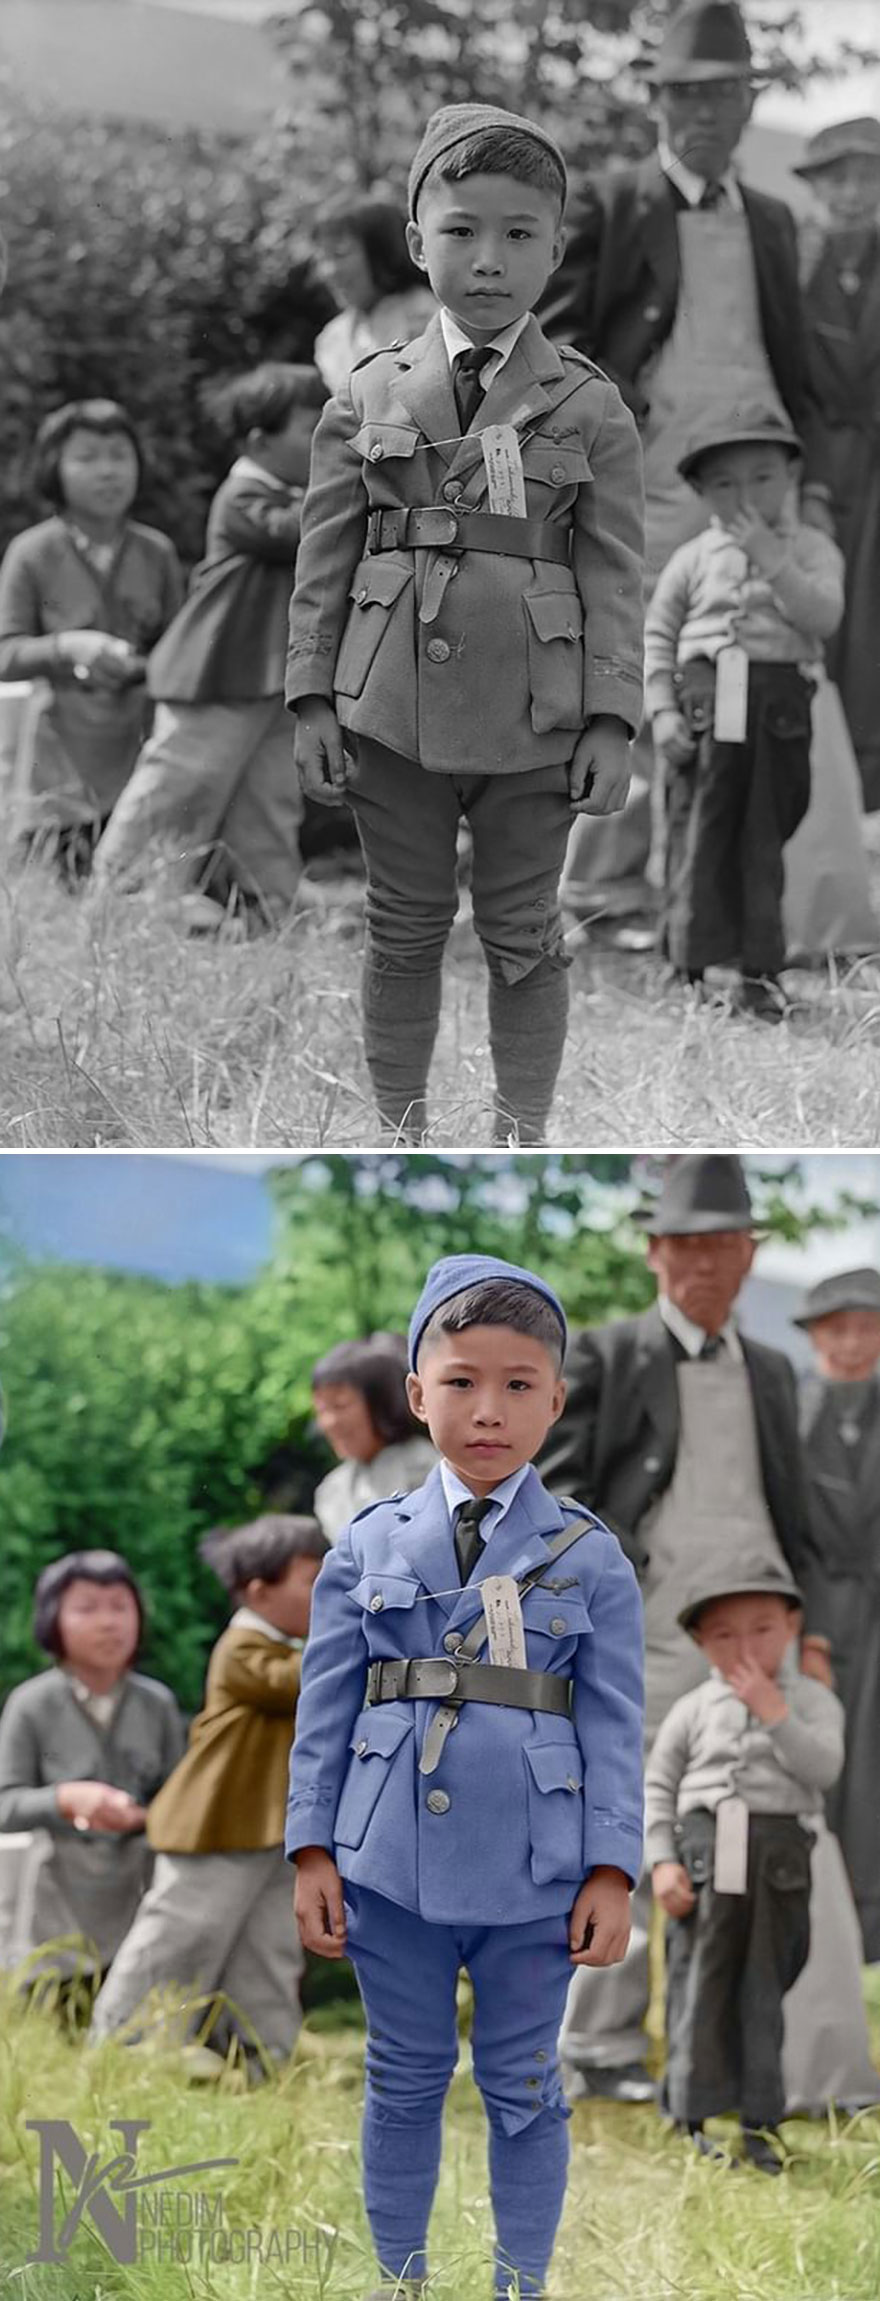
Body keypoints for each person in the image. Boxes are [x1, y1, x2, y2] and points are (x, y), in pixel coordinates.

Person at [286, 101, 644, 1148]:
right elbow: (323, 555)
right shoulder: (363, 393)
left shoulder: (589, 406)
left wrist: (612, 716)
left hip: (540, 712)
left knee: (525, 933)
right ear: (414, 242)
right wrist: (310, 697)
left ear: (557, 248)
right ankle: (400, 1135)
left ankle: (521, 1139)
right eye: (460, 232)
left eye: (518, 234)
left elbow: (615, 570)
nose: (488, 261)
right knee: (400, 928)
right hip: (386, 704)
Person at [287, 1254, 644, 2301]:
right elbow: (325, 1708)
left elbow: (617, 1726)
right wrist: (312, 1847)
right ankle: (400, 2283)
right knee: (402, 2079)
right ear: (414, 1394)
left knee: (525, 2087)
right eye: (459, 1382)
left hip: (539, 1868)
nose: (487, 1410)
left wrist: (612, 1867)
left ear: (556, 1400)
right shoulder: (363, 1544)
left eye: (518, 1384)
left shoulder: (589, 1557)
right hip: (384, 1860)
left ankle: (518, 2286)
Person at [537, 1151, 870, 2108]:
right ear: (653, 1251)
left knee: (764, 1815)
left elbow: (793, 1507)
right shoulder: (608, 1351)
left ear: (750, 1252)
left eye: (725, 1243)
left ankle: (743, 2046)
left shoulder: (771, 1367)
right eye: (687, 1244)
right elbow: (562, 1496)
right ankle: (595, 2046)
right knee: (628, 1818)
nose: (706, 1263)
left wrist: (804, 1636)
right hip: (645, 1627)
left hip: (755, 1632)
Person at [540, 0, 826, 935]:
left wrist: (808, 475)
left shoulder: (778, 219)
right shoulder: (615, 201)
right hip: (650, 477)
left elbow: (796, 357)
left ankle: (711, 897)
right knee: (631, 660)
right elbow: (567, 337)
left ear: (749, 105)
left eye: (722, 96)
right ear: (658, 105)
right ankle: (599, 891)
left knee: (749, 668)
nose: (702, 115)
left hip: (755, 478)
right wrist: (620, 418)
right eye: (684, 97)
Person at [90, 1514, 327, 2074]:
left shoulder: (286, 1645)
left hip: (272, 1828)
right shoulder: (245, 1645)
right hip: (217, 1824)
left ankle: (260, 2053)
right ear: (259, 1591)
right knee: (181, 1932)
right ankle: (123, 2044)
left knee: (268, 1945)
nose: (328, 1591)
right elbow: (299, 1683)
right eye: (313, 1578)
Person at [93, 365, 327, 927]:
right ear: (259, 442)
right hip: (217, 671)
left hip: (270, 677)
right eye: (309, 425)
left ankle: (272, 897)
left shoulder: (288, 493)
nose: (325, 433)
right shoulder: (244, 494)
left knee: (268, 793)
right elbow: (299, 533)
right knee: (182, 780)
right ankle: (125, 893)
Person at [645, 403, 844, 1018]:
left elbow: (824, 617)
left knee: (762, 840)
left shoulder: (811, 549)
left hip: (778, 710)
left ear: (791, 476)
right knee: (696, 834)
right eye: (725, 483)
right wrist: (663, 712)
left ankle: (760, 972)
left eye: (762, 476)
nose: (746, 494)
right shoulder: (692, 557)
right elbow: (658, 633)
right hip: (704, 703)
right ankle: (688, 969)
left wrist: (771, 557)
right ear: (702, 493)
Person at [647, 1561, 844, 2172]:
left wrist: (775, 1711)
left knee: (765, 1990)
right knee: (699, 1981)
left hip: (780, 1858)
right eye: (724, 1635)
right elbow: (658, 1783)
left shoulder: (812, 1700)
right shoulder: (692, 1707)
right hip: (706, 1850)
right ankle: (690, 2117)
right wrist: (663, 1862)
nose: (744, 1647)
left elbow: (825, 1769)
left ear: (792, 1626)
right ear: (702, 1642)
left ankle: (761, 2124)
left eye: (762, 1629)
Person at [0, 399, 183, 879]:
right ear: (52, 468)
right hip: (57, 769)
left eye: (119, 456)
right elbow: (6, 654)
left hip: (138, 758)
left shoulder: (156, 552)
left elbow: (179, 655)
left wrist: (137, 665)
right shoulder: (31, 553)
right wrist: (67, 647)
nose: (108, 472)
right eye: (86, 457)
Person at [0, 1550, 185, 1983]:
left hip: (138, 1904)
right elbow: (5, 1803)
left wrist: (144, 1817)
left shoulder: (156, 1703)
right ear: (52, 1620)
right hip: (51, 1911)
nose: (109, 1622)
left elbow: (178, 1802)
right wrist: (65, 1799)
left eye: (121, 1607)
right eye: (87, 1608)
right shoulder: (31, 1704)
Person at [793, 117, 880, 811]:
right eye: (839, 177)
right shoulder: (793, 259)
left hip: (876, 461)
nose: (854, 192)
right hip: (811, 460)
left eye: (867, 176)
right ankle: (812, 783)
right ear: (816, 185)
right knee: (813, 605)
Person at [794, 1268, 880, 1961]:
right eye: (837, 1329)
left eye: (866, 1327)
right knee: (817, 1757)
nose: (852, 1343)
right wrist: (806, 1625)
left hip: (876, 1610)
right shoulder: (792, 1406)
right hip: (813, 1612)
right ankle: (813, 1923)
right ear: (815, 1334)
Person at [311, 1334, 437, 1542]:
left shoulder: (430, 1467)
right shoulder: (331, 1491)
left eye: (340, 1405)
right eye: (321, 1410)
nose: (329, 1422)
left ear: (382, 1404)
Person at [312, 196, 437, 394]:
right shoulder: (331, 339)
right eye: (323, 257)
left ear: (381, 252)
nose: (329, 271)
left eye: (340, 254)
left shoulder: (431, 319)